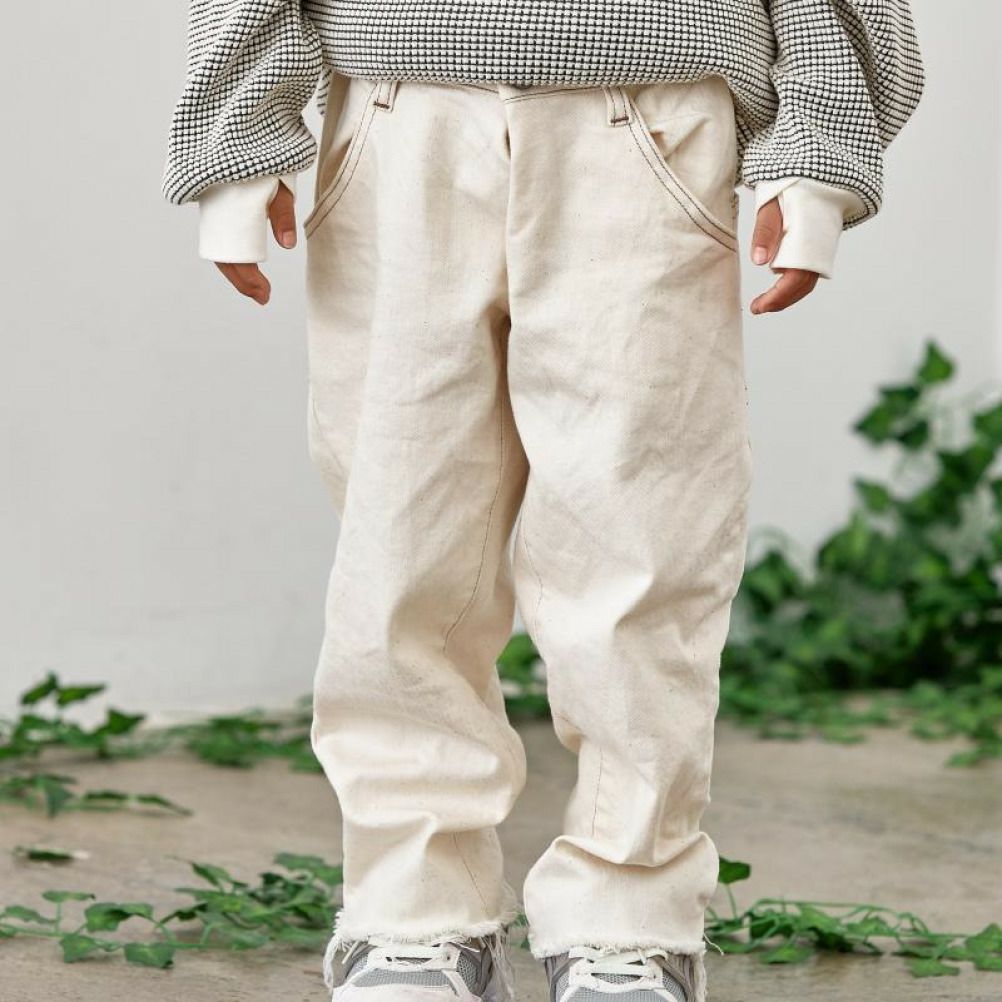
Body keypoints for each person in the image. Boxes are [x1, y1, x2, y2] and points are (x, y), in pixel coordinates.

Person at [163, 4, 923, 1001]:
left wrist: (821, 143)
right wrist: (238, 127)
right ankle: (411, 910)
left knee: (640, 544)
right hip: (402, 111)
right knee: (404, 540)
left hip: (650, 115)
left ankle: (629, 915)